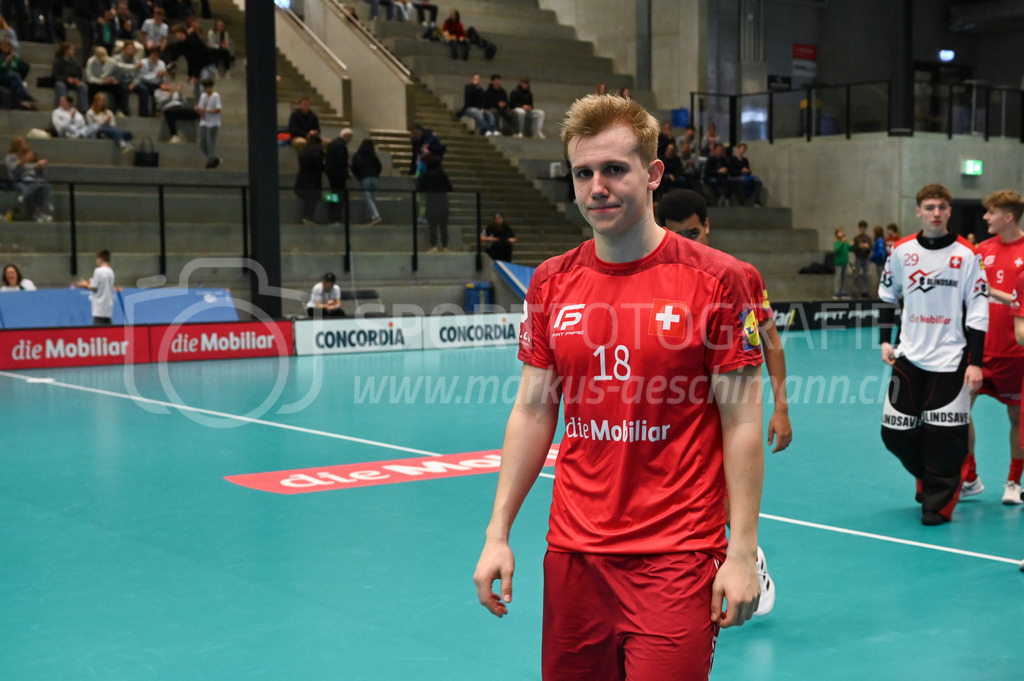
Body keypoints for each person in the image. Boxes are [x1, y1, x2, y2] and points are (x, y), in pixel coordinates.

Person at [472, 94, 764, 679]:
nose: (597, 187)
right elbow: (532, 413)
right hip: (575, 556)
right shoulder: (552, 283)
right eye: (584, 173)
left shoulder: (722, 281)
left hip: (676, 556)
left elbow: (743, 421)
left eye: (614, 169)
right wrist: (497, 532)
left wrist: (741, 551)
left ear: (653, 174)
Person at [657, 187, 792, 617]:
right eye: (676, 233)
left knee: (722, 497)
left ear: (708, 225)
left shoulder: (739, 276)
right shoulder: (654, 275)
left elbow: (770, 341)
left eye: (694, 232)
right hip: (673, 415)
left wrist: (781, 406)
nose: (688, 241)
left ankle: (748, 561)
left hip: (726, 410)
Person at [878, 183, 988, 526]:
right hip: (908, 354)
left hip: (952, 359)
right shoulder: (902, 251)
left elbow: (979, 310)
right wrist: (885, 340)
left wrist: (976, 362)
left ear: (950, 212)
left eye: (942, 206)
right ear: (918, 212)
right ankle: (932, 473)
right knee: (893, 431)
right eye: (929, 207)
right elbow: (887, 296)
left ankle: (940, 499)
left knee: (945, 436)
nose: (936, 213)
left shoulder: (968, 255)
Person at [963, 190, 1024, 504]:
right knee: (959, 411)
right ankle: (969, 476)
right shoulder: (981, 250)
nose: (986, 217)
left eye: (991, 212)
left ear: (1008, 216)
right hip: (980, 352)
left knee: (1017, 420)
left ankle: (1014, 482)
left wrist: (994, 292)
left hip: (1017, 354)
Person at [4, 137, 53, 222]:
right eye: (24, 143)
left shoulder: (28, 156)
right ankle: (37, 212)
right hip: (15, 180)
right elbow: (14, 171)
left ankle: (40, 211)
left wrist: (39, 168)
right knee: (24, 188)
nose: (26, 145)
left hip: (27, 179)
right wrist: (23, 161)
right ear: (17, 145)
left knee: (41, 187)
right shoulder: (10, 157)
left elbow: (33, 172)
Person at [416, 155, 451, 252]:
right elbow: (449, 187)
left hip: (431, 202)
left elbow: (420, 188)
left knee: (433, 226)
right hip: (443, 202)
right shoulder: (442, 174)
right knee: (444, 226)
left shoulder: (426, 174)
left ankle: (433, 245)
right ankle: (445, 246)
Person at [76, 249, 117, 325]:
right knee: (109, 330)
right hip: (108, 306)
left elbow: (93, 287)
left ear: (100, 259)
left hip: (99, 307)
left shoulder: (98, 271)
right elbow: (102, 284)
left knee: (97, 331)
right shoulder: (111, 271)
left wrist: (84, 284)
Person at [84, 46, 128, 116]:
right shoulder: (90, 62)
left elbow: (122, 67)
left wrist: (113, 79)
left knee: (120, 87)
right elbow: (89, 78)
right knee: (90, 87)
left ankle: (120, 110)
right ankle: (91, 109)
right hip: (95, 83)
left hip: (107, 82)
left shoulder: (110, 61)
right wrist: (101, 81)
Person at [350, 137, 382, 226]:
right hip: (374, 178)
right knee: (373, 197)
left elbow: (354, 168)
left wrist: (359, 176)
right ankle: (370, 218)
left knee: (368, 198)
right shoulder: (373, 156)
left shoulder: (357, 155)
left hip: (364, 178)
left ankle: (375, 216)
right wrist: (376, 174)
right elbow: (379, 166)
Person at [324, 127, 353, 225]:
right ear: (345, 136)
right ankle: (337, 217)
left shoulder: (332, 143)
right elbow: (341, 161)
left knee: (333, 194)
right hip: (339, 175)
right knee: (339, 196)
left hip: (331, 174)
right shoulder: (341, 146)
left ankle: (331, 216)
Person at [295, 130, 324, 225]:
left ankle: (306, 216)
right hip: (313, 178)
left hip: (303, 177)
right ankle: (309, 216)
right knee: (313, 199)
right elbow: (318, 164)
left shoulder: (305, 149)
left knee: (306, 199)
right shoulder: (318, 149)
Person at [52, 42, 89, 112]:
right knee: (60, 85)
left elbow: (79, 74)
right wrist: (67, 79)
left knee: (83, 86)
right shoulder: (58, 61)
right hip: (62, 81)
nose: (73, 51)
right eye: (71, 49)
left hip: (73, 82)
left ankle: (83, 109)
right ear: (66, 50)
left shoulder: (75, 62)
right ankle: (62, 107)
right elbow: (55, 75)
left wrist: (76, 80)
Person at [113, 40, 144, 115]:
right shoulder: (116, 59)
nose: (130, 51)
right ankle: (123, 110)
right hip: (120, 81)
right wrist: (134, 67)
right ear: (124, 49)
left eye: (132, 49)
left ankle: (143, 113)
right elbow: (119, 69)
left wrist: (133, 84)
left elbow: (138, 75)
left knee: (144, 89)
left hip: (130, 82)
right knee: (122, 88)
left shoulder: (136, 61)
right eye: (128, 48)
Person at [727, 143, 764, 207]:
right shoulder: (732, 159)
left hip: (745, 176)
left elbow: (749, 171)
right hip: (736, 176)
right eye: (741, 149)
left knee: (757, 181)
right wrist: (740, 171)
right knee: (741, 181)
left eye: (744, 149)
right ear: (738, 149)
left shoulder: (745, 160)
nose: (742, 151)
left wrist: (747, 171)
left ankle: (757, 200)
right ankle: (742, 200)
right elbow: (731, 172)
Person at [196, 77, 221, 168]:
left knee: (211, 143)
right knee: (202, 143)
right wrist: (198, 109)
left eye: (208, 87)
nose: (207, 89)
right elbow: (200, 108)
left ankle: (211, 161)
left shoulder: (216, 96)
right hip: (204, 122)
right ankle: (214, 157)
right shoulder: (203, 96)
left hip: (213, 123)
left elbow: (218, 109)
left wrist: (206, 110)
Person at [851, 220, 873, 298]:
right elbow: (852, 248)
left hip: (866, 258)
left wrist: (867, 247)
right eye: (861, 228)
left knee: (866, 275)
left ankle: (865, 290)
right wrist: (859, 247)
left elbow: (871, 248)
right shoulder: (856, 238)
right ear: (859, 228)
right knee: (856, 275)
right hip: (858, 258)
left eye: (864, 228)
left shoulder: (868, 238)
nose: (862, 230)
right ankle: (855, 291)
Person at [832, 228, 851, 299]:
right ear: (836, 234)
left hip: (845, 262)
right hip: (838, 263)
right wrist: (842, 243)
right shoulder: (836, 242)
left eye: (842, 232)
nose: (841, 234)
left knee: (844, 278)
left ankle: (843, 291)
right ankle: (836, 292)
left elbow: (849, 248)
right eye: (839, 232)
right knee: (838, 278)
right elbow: (837, 250)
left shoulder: (845, 242)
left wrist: (853, 244)